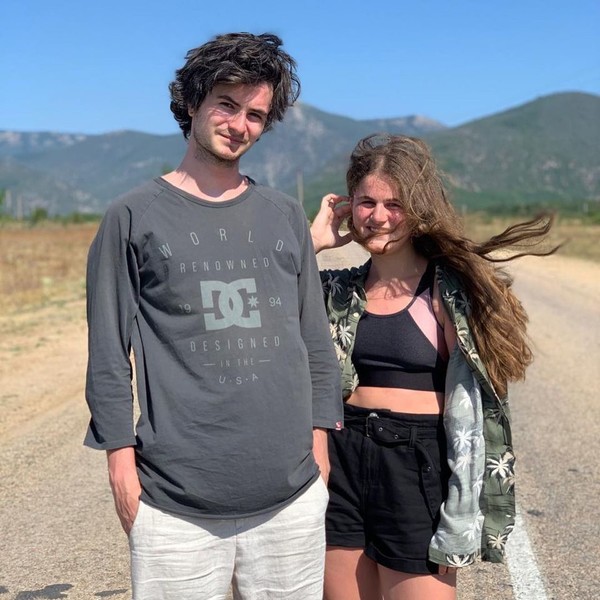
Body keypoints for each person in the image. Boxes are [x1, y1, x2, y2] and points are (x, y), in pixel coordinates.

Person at [84, 32, 342, 600]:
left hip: (292, 498)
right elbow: (107, 355)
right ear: (192, 101)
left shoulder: (283, 215)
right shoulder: (131, 217)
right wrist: (121, 468)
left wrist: (320, 449)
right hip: (174, 505)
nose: (240, 124)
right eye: (227, 104)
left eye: (256, 114)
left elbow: (314, 341)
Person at [310, 134, 557, 600]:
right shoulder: (337, 290)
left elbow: (485, 394)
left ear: (419, 208)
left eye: (394, 204)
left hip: (414, 461)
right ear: (349, 206)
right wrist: (312, 243)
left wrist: (466, 497)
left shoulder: (447, 290)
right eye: (366, 202)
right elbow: (260, 296)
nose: (378, 216)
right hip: (342, 457)